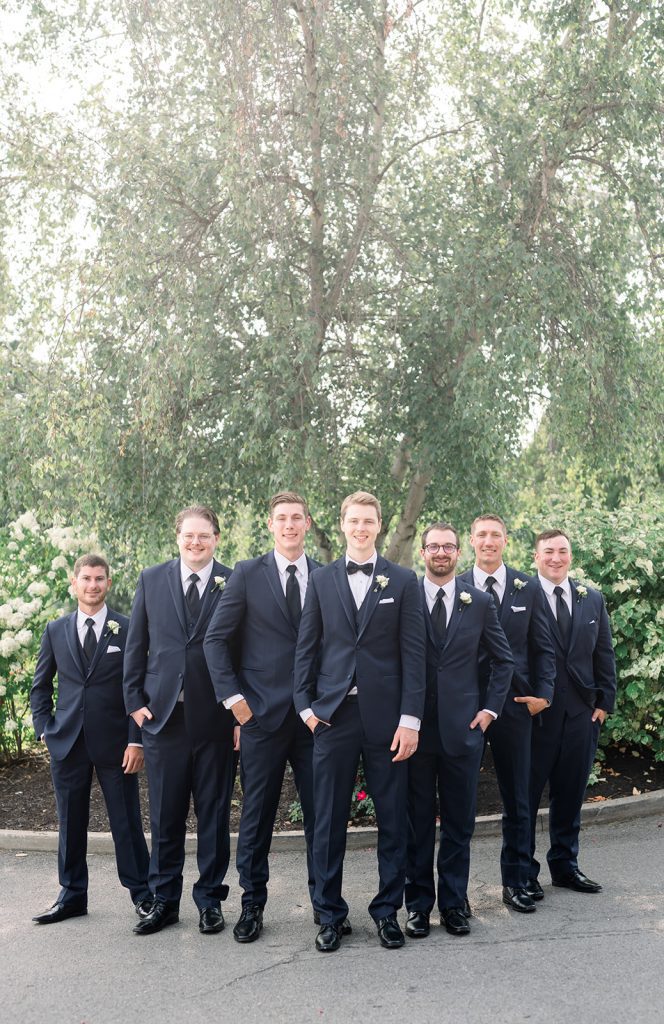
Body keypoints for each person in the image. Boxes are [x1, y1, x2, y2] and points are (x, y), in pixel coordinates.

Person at [294, 491, 425, 952]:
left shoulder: (403, 581)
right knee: (327, 821)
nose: (361, 528)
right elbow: (306, 648)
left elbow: (414, 655)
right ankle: (329, 914)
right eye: (354, 520)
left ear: (379, 525)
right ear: (343, 524)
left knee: (394, 819)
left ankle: (387, 911)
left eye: (369, 521)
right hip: (332, 718)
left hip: (388, 720)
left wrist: (410, 720)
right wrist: (306, 709)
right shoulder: (322, 579)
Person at [204, 491, 320, 943]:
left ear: (308, 523)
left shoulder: (327, 577)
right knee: (256, 819)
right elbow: (216, 640)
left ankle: (325, 906)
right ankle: (252, 905)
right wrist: (235, 702)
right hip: (260, 718)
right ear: (270, 525)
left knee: (321, 818)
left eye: (296, 518)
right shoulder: (248, 574)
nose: (289, 525)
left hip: (315, 721)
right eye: (281, 519)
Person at [123, 505, 235, 935]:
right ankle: (164, 901)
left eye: (204, 536)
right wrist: (134, 701)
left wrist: (240, 715)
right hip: (163, 718)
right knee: (165, 816)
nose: (195, 542)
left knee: (213, 814)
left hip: (215, 719)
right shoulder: (152, 579)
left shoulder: (233, 580)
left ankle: (210, 900)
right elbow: (137, 645)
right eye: (189, 535)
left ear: (216, 538)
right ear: (178, 538)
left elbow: (240, 649)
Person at [405, 523, 514, 939]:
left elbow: (503, 661)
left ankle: (453, 904)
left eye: (448, 547)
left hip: (463, 731)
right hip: (414, 731)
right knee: (417, 823)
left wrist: (488, 711)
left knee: (458, 825)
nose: (441, 553)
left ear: (458, 553)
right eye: (434, 546)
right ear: (422, 552)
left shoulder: (480, 602)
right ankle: (417, 907)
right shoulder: (406, 595)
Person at [30, 554, 150, 924]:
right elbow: (41, 686)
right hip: (66, 743)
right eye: (86, 578)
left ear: (108, 583)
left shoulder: (127, 629)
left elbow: (138, 688)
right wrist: (44, 729)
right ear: (74, 583)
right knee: (70, 822)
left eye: (99, 578)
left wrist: (136, 740)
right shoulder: (55, 630)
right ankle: (71, 896)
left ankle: (143, 895)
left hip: (116, 744)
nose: (93, 585)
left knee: (126, 822)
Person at [457, 513, 555, 913]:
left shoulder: (527, 588)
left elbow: (544, 648)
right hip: (465, 707)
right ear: (471, 541)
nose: (488, 541)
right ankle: (453, 895)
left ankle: (515, 881)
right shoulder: (454, 585)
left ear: (506, 540)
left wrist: (544, 695)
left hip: (515, 707)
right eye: (481, 535)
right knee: (460, 800)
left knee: (518, 800)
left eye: (495, 535)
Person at [528, 529, 616, 897]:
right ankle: (523, 874)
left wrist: (603, 704)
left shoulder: (591, 598)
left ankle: (565, 867)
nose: (556, 558)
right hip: (536, 716)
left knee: (570, 796)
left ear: (570, 556)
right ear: (535, 557)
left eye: (562, 551)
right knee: (525, 800)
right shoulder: (522, 596)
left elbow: (604, 653)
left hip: (581, 715)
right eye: (548, 551)